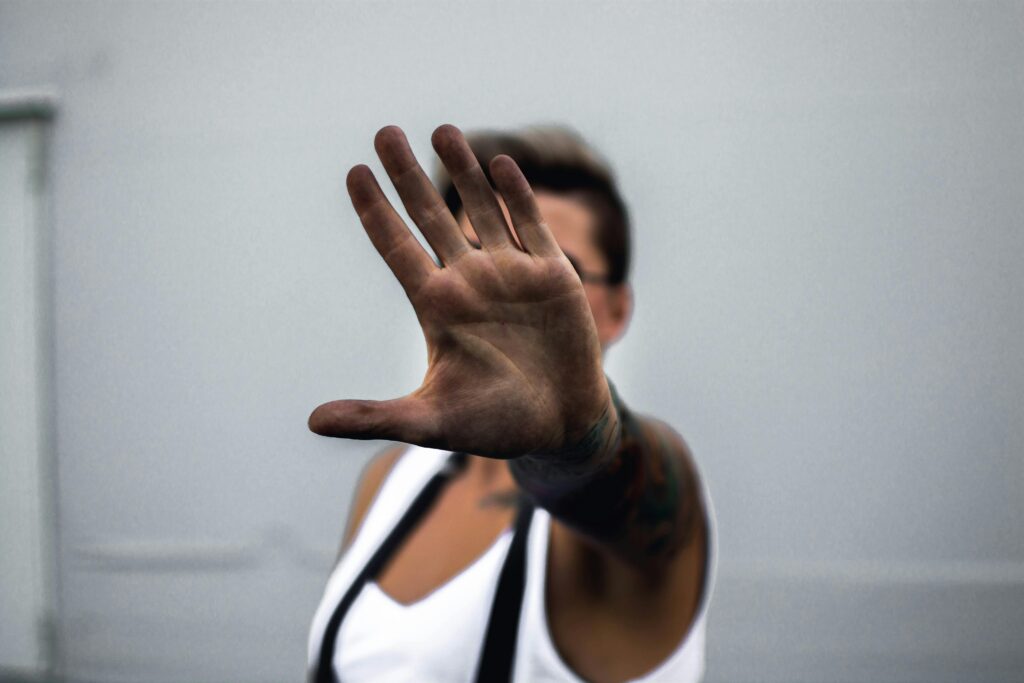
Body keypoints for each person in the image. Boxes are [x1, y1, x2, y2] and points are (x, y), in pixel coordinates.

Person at [306, 124, 715, 683]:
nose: (511, 291)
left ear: (618, 310)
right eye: (480, 258)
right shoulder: (391, 483)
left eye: (560, 269)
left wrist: (581, 440)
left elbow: (620, 487)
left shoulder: (638, 508)